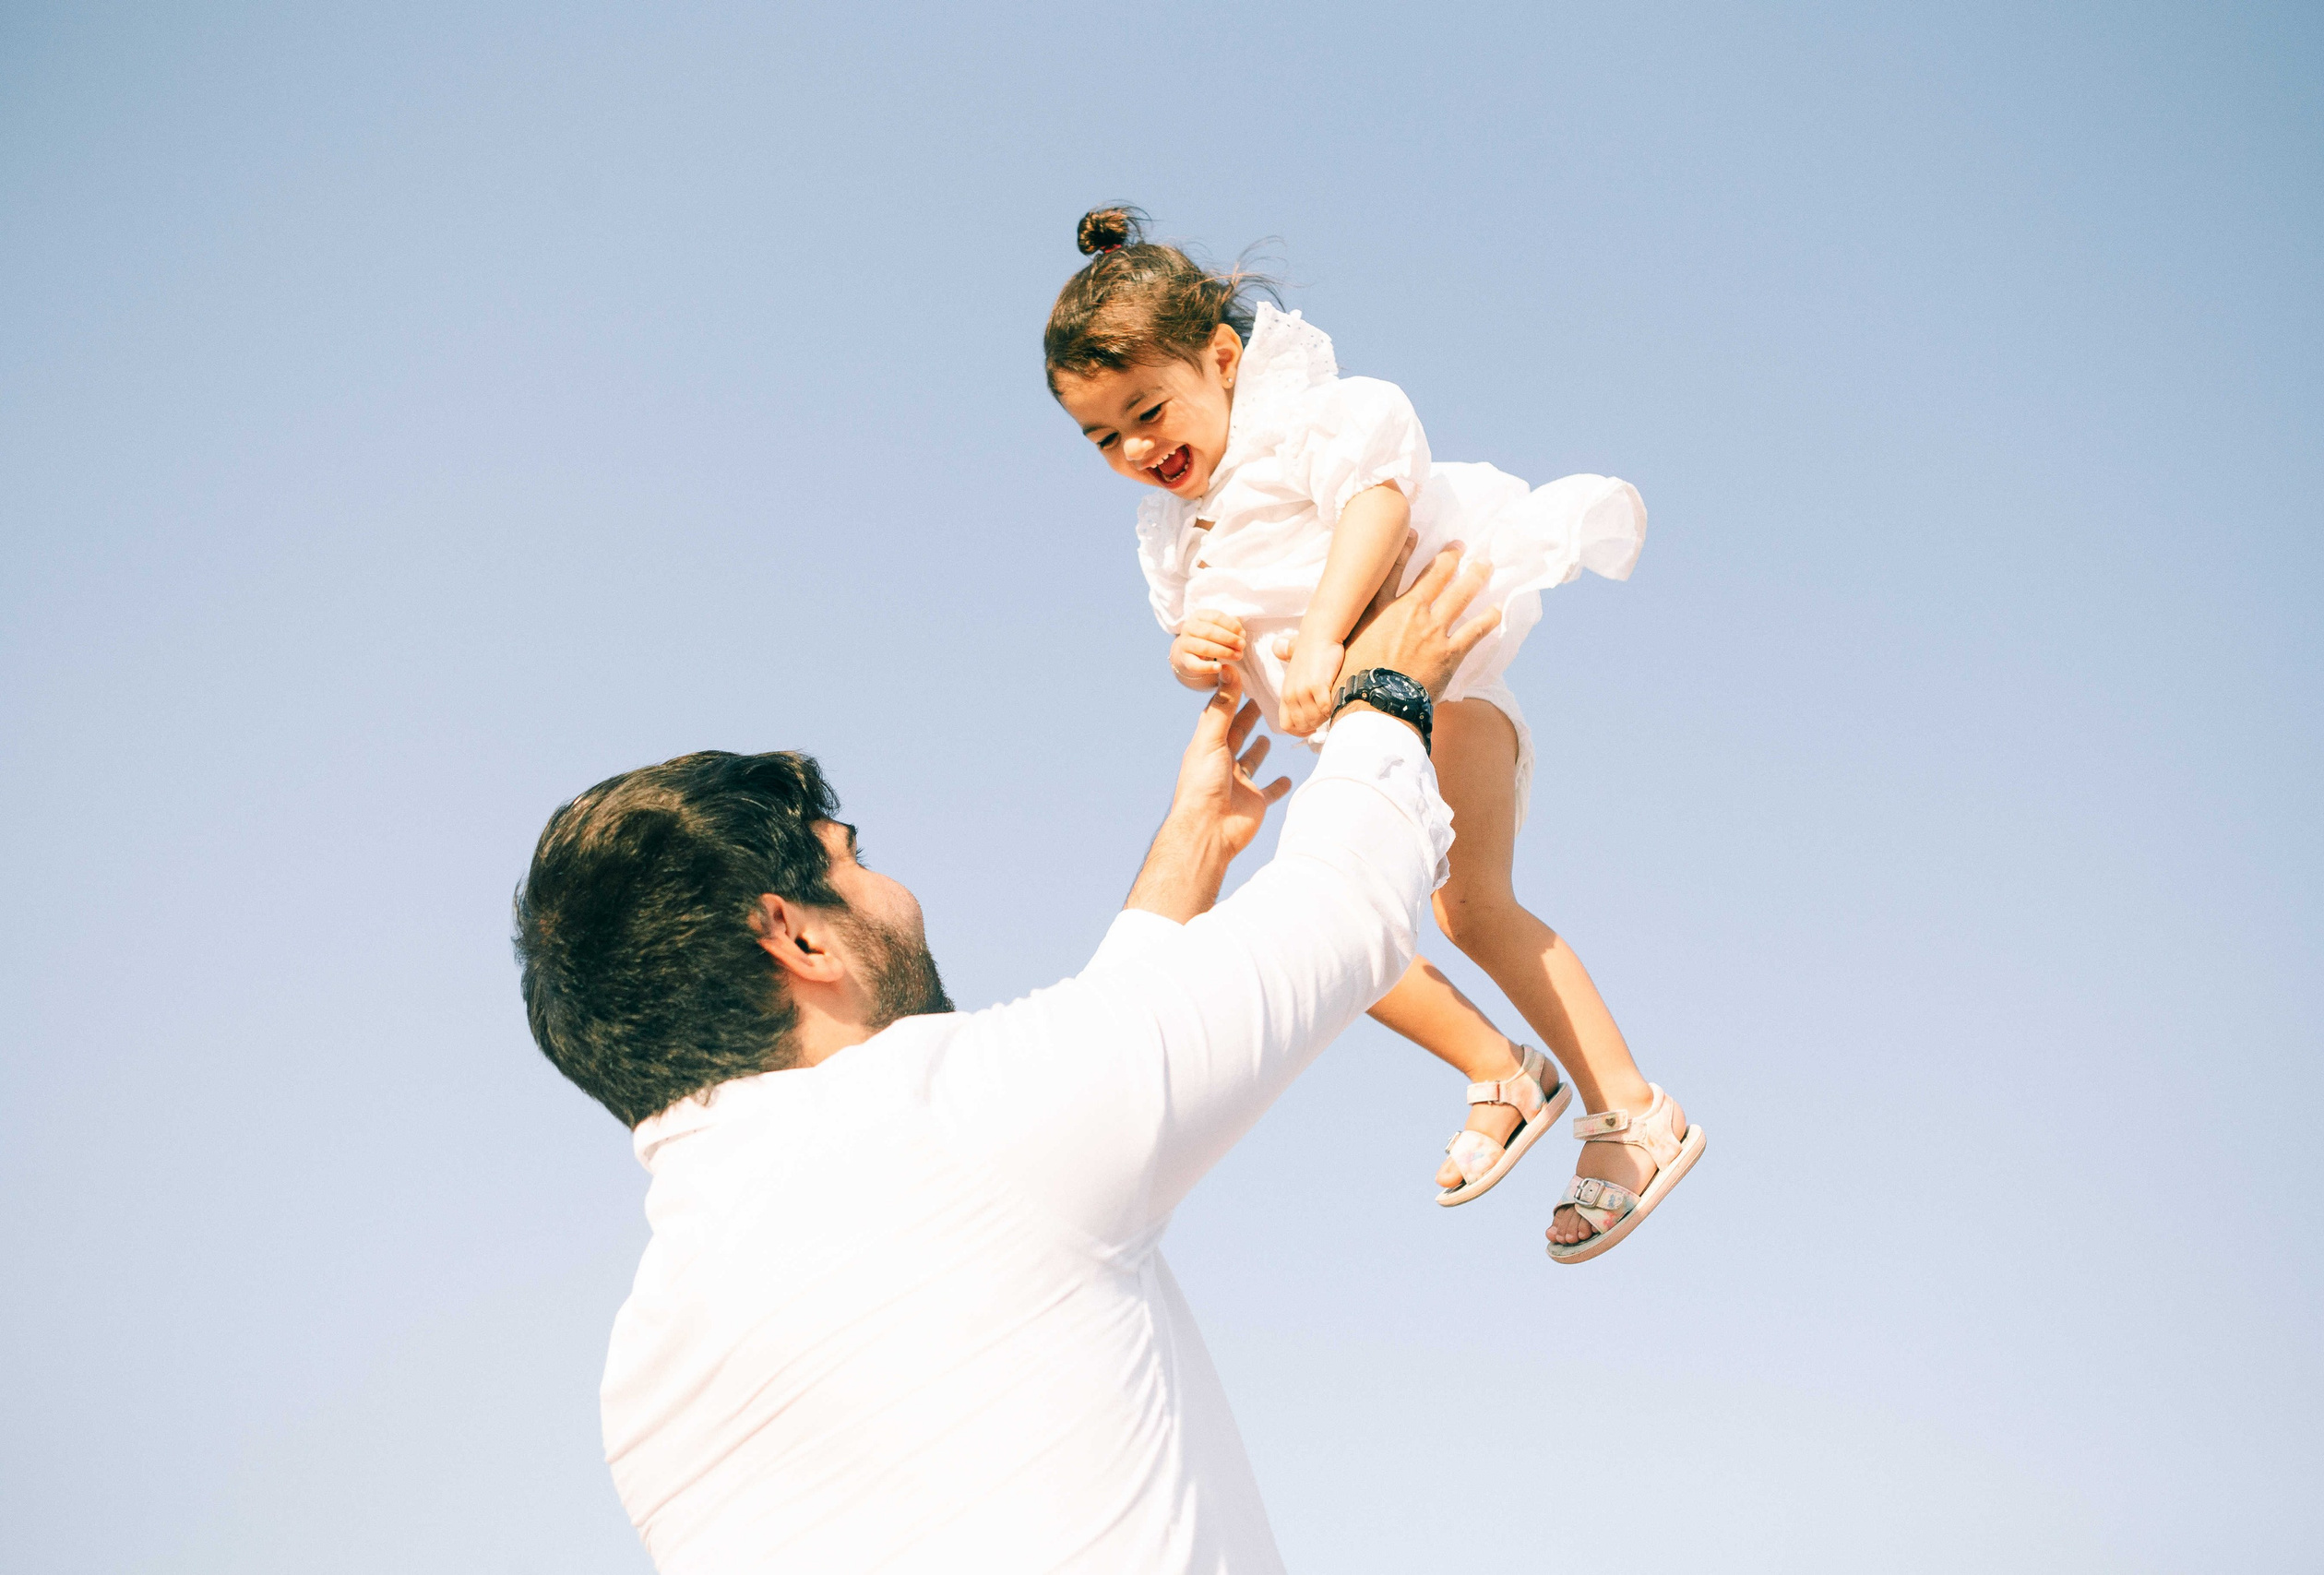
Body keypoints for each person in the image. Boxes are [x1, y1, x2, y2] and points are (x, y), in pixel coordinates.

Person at [515, 547, 1500, 1571]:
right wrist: (1384, 697)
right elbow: (1341, 914)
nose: (897, 892)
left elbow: (1057, 1131)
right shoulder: (947, 1127)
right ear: (800, 938)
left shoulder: (644, 1379)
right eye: (854, 862)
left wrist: (1192, 846)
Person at [1043, 207, 1704, 1260]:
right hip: (1368, 736)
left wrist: (1316, 640)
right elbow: (1201, 627)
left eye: (1148, 410)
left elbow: (1380, 497)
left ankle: (1631, 1114)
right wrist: (1194, 653)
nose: (1134, 447)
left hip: (1453, 687)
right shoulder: (1177, 525)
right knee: (1322, 930)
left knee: (1472, 909)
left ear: (1223, 360)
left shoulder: (1310, 421)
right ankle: (1502, 1071)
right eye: (1101, 436)